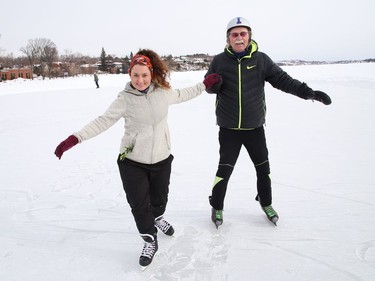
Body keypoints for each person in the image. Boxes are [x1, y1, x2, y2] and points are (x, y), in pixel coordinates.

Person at [54, 49, 222, 266]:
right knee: (139, 205)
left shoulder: (163, 92)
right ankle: (149, 238)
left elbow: (184, 94)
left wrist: (205, 84)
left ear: (151, 74)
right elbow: (102, 121)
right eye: (135, 75)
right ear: (129, 75)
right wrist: (75, 138)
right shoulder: (124, 99)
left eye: (144, 75)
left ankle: (158, 218)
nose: (140, 80)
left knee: (159, 199)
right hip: (132, 161)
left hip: (161, 158)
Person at [205, 17, 332, 228]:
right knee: (224, 169)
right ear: (228, 38)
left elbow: (282, 80)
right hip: (228, 129)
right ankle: (217, 206)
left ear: (249, 36)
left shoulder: (261, 60)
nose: (238, 38)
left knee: (263, 168)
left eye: (242, 33)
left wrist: (308, 93)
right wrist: (213, 86)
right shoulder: (219, 61)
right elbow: (209, 85)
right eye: (234, 34)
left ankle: (266, 203)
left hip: (255, 127)